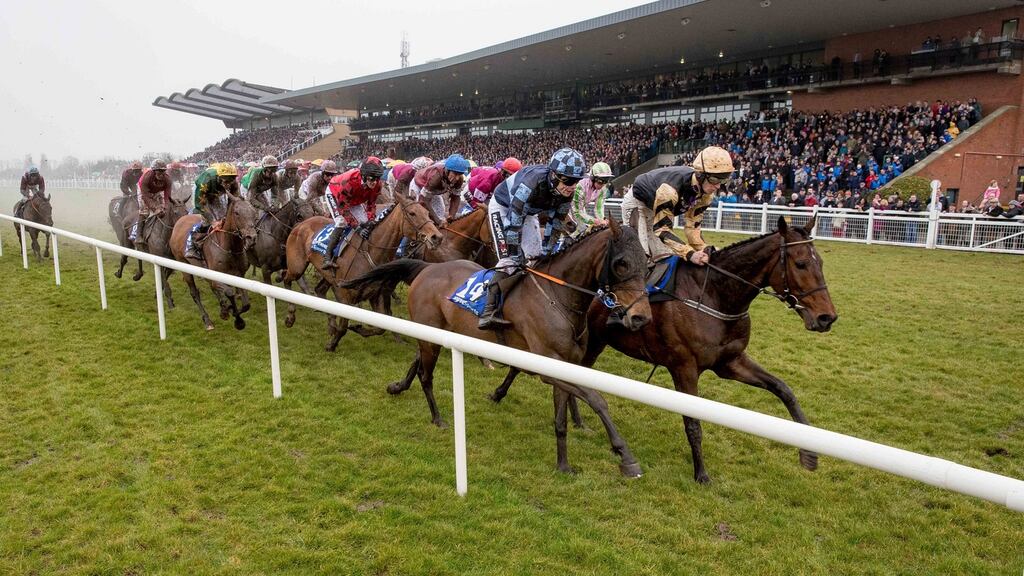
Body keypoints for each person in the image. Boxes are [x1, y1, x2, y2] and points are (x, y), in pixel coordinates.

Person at [478, 147, 586, 330]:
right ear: (553, 175)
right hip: (504, 207)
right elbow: (513, 223)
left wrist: (546, 252)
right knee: (510, 259)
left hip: (528, 212)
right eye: (568, 180)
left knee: (536, 256)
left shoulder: (567, 193)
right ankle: (488, 311)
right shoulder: (531, 183)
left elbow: (556, 225)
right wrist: (515, 251)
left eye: (577, 181)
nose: (572, 186)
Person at [621, 146, 734, 265]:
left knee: (666, 257)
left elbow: (692, 227)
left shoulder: (706, 195)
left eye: (722, 181)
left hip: (657, 208)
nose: (718, 187)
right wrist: (690, 254)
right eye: (715, 180)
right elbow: (662, 229)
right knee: (641, 257)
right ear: (700, 175)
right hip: (638, 203)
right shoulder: (669, 191)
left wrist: (705, 250)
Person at [322, 157, 385, 270]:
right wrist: (357, 228)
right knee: (342, 222)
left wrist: (371, 220)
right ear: (364, 176)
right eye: (371, 178)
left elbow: (371, 204)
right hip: (335, 193)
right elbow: (344, 209)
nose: (374, 182)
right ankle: (327, 257)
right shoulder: (349, 181)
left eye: (377, 178)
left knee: (365, 222)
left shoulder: (378, 185)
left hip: (354, 198)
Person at [187, 163, 239, 259]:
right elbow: (200, 204)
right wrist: (212, 221)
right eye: (226, 181)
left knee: (223, 217)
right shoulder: (206, 181)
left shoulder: (233, 183)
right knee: (206, 220)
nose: (228, 184)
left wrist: (227, 214)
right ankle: (190, 246)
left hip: (216, 193)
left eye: (230, 181)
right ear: (219, 177)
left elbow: (234, 201)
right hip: (202, 192)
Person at [410, 153, 471, 226]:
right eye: (455, 174)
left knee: (440, 211)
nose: (457, 178)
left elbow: (455, 198)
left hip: (433, 190)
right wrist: (437, 221)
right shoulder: (435, 177)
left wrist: (451, 215)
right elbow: (423, 201)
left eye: (460, 174)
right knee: (420, 215)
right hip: (418, 186)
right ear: (447, 170)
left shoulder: (459, 179)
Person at [134, 160, 173, 252]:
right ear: (154, 171)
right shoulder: (146, 178)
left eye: (163, 171)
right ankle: (138, 236)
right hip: (144, 191)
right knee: (145, 211)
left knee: (164, 210)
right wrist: (155, 208)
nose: (161, 173)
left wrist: (165, 207)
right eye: (159, 171)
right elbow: (146, 197)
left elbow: (168, 196)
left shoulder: (168, 179)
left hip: (157, 191)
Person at [569, 161, 613, 237]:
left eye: (606, 181)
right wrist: (596, 221)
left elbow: (598, 208)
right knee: (579, 230)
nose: (602, 185)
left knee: (586, 230)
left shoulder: (602, 188)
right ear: (592, 178)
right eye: (600, 181)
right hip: (569, 207)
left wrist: (603, 220)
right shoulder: (580, 186)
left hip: (581, 207)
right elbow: (577, 212)